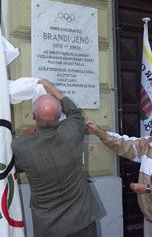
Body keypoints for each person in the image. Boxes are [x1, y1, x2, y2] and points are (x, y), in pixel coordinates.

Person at [12, 79, 102, 237]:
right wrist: (50, 88)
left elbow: (15, 166)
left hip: (49, 228)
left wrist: (28, 137)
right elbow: (74, 112)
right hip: (82, 221)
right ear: (60, 116)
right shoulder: (71, 131)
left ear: (33, 116)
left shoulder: (21, 146)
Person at [86, 113, 152, 237]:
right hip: (150, 219)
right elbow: (122, 143)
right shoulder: (147, 144)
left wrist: (147, 189)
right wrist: (99, 132)